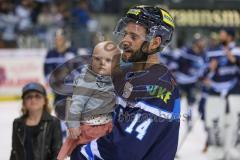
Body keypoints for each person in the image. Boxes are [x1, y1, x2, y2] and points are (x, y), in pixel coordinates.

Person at [72, 5, 180, 160]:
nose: (124, 41)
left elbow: (123, 151)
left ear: (155, 43)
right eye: (125, 34)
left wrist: (81, 153)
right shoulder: (127, 73)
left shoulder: (159, 87)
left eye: (133, 37)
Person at [57, 41, 119, 160]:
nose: (102, 63)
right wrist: (73, 124)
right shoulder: (87, 80)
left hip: (107, 127)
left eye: (108, 60)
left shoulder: (112, 79)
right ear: (91, 60)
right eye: (97, 59)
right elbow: (76, 103)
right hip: (89, 129)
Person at [202, 28, 240, 159]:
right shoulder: (213, 51)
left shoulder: (237, 51)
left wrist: (235, 60)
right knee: (214, 123)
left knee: (232, 125)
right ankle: (216, 152)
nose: (220, 36)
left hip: (233, 93)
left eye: (223, 34)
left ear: (230, 37)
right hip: (215, 93)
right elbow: (203, 71)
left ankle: (229, 152)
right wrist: (209, 70)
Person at [10, 82, 62, 160]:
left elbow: (57, 153)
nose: (33, 99)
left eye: (37, 96)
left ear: (45, 101)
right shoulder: (17, 123)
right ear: (24, 102)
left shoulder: (54, 122)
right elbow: (15, 152)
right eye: (29, 97)